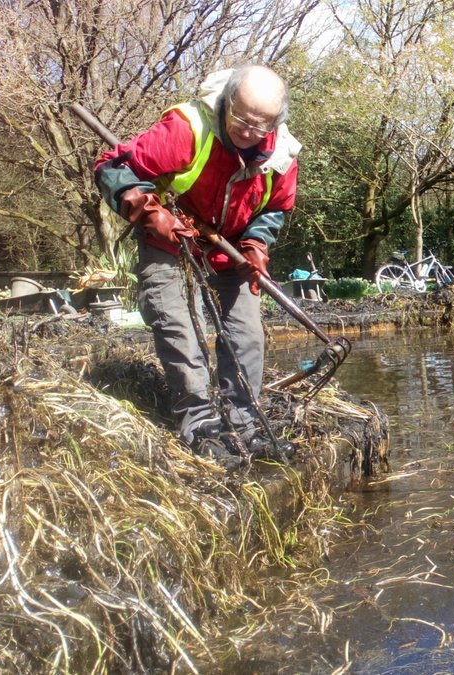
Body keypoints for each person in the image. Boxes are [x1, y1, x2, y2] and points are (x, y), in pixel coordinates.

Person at [94, 65, 300, 462]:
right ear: (227, 102)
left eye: (261, 125)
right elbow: (111, 168)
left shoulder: (283, 154)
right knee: (180, 331)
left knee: (247, 335)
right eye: (240, 117)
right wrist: (151, 213)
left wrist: (257, 244)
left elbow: (274, 209)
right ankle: (201, 427)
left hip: (231, 251)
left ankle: (246, 425)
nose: (248, 130)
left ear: (277, 121)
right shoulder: (187, 127)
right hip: (169, 241)